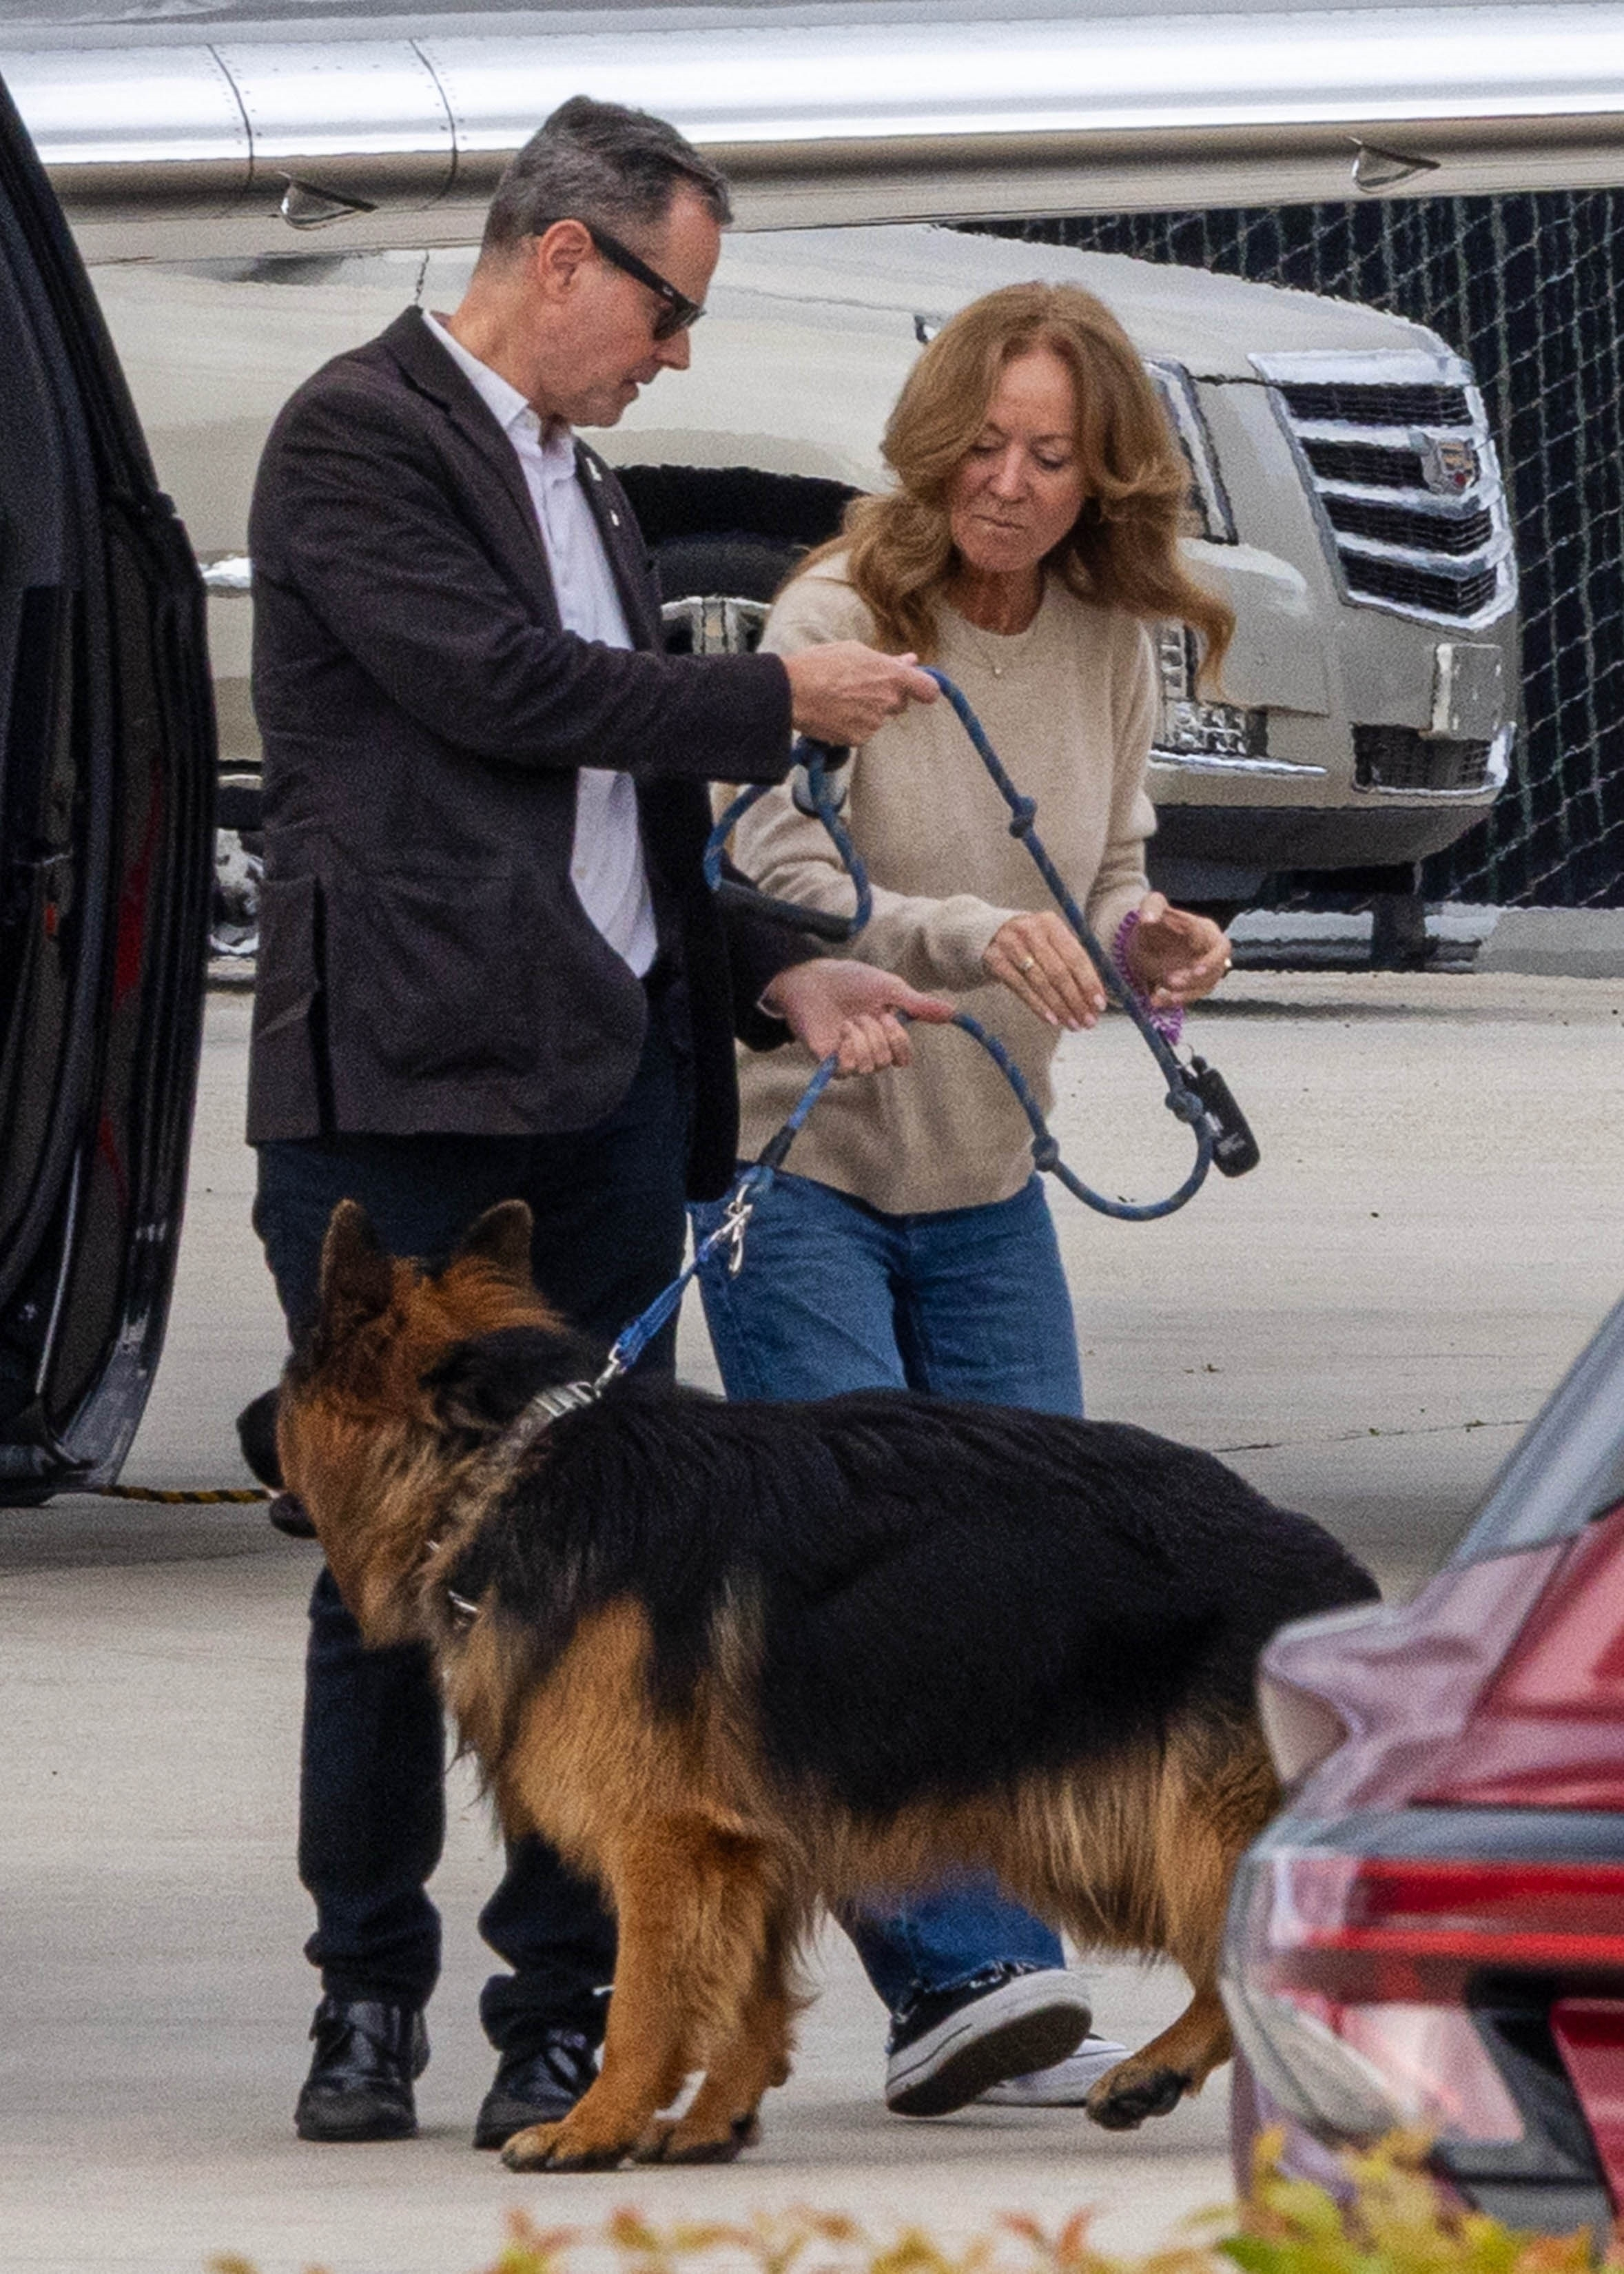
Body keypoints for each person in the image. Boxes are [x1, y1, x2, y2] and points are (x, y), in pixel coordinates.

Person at [245, 93, 945, 2151]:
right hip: (403, 1102)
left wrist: (758, 966)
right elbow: (498, 690)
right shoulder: (358, 436)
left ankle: (559, 2012)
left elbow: (604, 825)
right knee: (379, 1578)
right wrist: (765, 707)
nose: (678, 354)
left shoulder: (589, 487)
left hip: (601, 1113)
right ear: (564, 259)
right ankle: (361, 2000)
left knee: (601, 1592)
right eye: (668, 304)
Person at [693, 280, 1235, 2118]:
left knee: (1039, 1575)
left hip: (989, 1160)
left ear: (1106, 479)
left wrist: (1153, 944)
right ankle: (961, 1979)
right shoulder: (838, 612)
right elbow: (755, 855)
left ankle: (991, 1969)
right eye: (984, 446)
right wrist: (958, 932)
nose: (1008, 485)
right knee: (859, 1583)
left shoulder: (1102, 640)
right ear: (935, 446)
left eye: (1051, 456)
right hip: (810, 1153)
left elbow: (1101, 880)